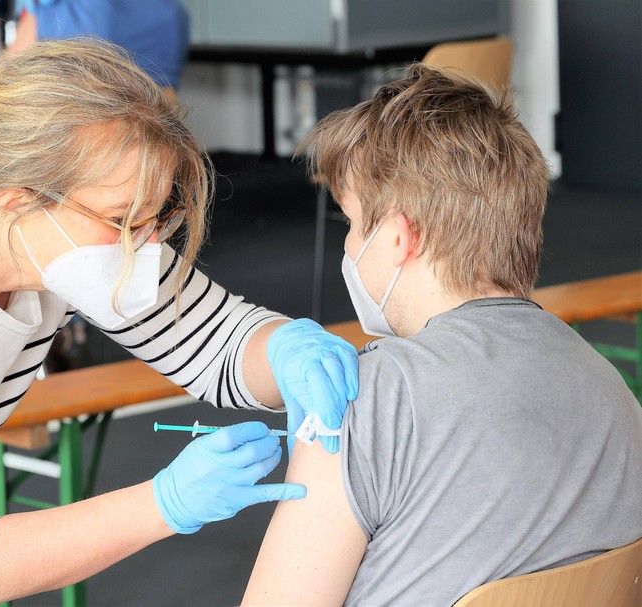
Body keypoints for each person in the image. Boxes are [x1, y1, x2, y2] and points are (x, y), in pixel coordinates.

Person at [0, 39, 358, 606]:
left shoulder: (53, 235)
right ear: (15, 197)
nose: (144, 246)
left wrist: (286, 348)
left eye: (156, 219)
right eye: (122, 220)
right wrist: (164, 503)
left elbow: (217, 344)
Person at [243, 65, 642, 606]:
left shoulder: (363, 400)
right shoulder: (613, 390)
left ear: (399, 237)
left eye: (354, 224)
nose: (349, 247)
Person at [10, 0, 189, 89]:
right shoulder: (171, 15)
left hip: (81, 137)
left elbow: (7, 80)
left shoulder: (71, 13)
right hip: (164, 22)